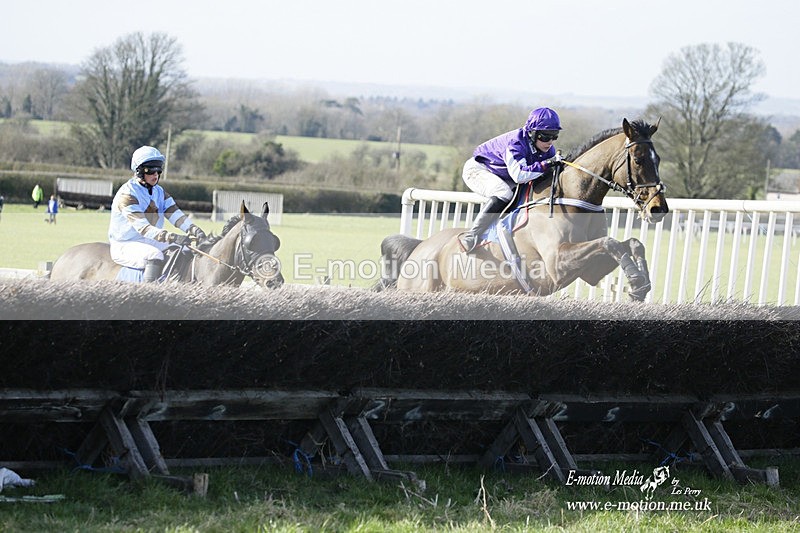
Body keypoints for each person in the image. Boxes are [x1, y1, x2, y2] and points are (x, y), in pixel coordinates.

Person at [459, 107, 564, 253]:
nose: (550, 142)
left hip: (503, 175)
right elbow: (519, 175)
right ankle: (472, 236)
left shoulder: (548, 150)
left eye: (554, 136)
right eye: (545, 137)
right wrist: (546, 164)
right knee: (503, 193)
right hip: (478, 170)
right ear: (532, 133)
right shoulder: (516, 143)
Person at [108, 145, 207, 282]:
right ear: (139, 171)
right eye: (151, 170)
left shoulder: (159, 192)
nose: (156, 174)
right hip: (125, 244)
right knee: (155, 255)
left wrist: (193, 229)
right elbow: (143, 228)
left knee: (184, 250)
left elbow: (175, 214)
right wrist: (172, 237)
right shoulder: (127, 195)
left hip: (150, 240)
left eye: (158, 170)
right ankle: (150, 296)